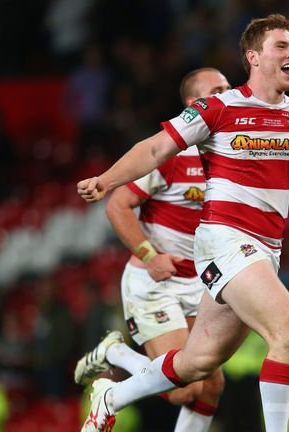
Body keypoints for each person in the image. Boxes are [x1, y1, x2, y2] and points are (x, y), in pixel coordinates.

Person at [77, 14, 289, 432]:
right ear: (254, 57)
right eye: (282, 46)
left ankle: (111, 396)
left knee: (196, 365)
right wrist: (106, 179)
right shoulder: (219, 107)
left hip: (263, 251)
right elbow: (154, 150)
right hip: (224, 241)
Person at [73, 67, 233, 432]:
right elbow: (117, 205)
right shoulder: (170, 151)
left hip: (201, 283)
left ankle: (114, 354)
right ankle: (115, 355)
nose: (228, 94)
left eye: (230, 87)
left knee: (212, 387)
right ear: (195, 104)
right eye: (219, 89)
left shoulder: (229, 152)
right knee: (183, 388)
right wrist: (150, 255)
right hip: (155, 281)